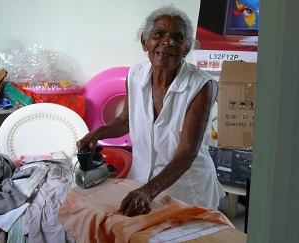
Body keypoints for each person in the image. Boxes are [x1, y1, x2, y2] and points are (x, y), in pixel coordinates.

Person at [76, 5, 225, 217]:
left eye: (177, 37)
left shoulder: (202, 85)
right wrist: (95, 134)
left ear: (186, 48)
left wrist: (148, 192)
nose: (168, 42)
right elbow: (125, 120)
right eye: (159, 34)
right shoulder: (135, 75)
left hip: (187, 190)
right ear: (145, 42)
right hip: (141, 183)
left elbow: (187, 153)